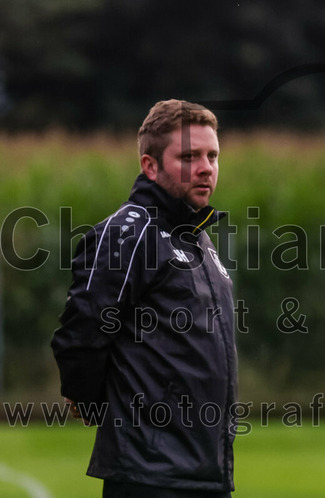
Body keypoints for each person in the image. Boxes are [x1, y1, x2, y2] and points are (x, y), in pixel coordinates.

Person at [51, 99, 237, 498]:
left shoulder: (199, 239)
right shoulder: (128, 233)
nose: (206, 167)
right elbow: (84, 329)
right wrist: (88, 397)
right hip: (148, 474)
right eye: (189, 156)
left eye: (212, 155)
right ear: (150, 166)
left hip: (205, 472)